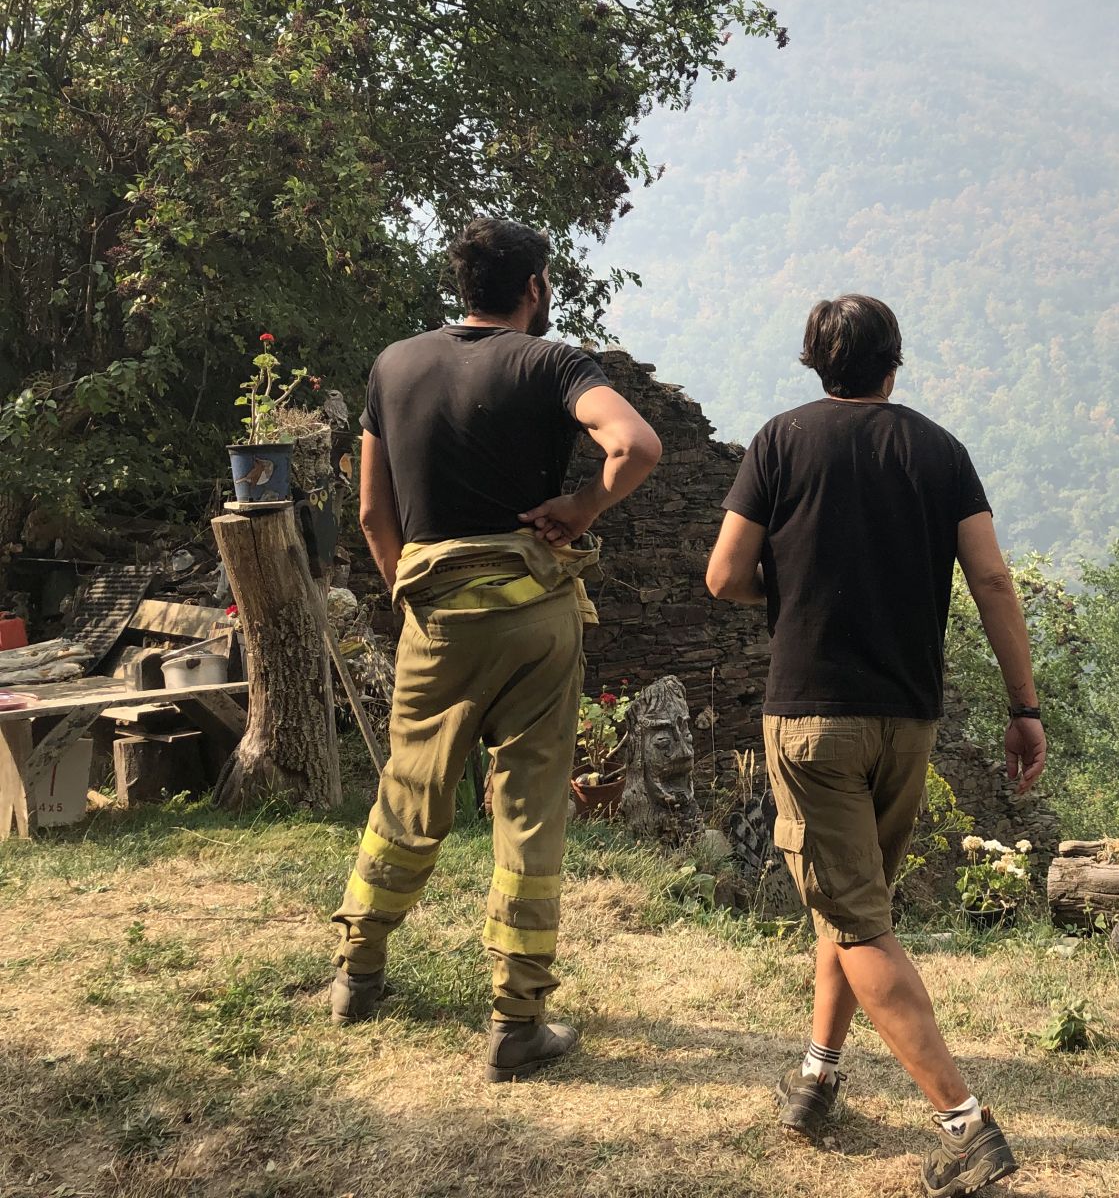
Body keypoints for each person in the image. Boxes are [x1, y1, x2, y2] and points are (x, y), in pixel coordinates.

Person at [706, 294, 1046, 1197]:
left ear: (816, 363)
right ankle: (816, 1078)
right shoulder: (938, 451)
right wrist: (1024, 706)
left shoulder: (779, 442)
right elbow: (993, 579)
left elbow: (723, 574)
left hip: (813, 720)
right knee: (857, 904)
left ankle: (967, 1128)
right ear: (895, 362)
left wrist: (795, 596)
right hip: (907, 720)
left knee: (856, 918)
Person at [328, 216, 661, 1083]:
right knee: (528, 810)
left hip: (435, 619)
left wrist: (421, 593)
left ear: (462, 285)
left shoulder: (393, 366)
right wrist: (582, 507)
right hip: (532, 621)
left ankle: (358, 973)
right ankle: (517, 1024)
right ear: (535, 287)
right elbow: (636, 446)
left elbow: (373, 515)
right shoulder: (552, 364)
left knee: (408, 790)